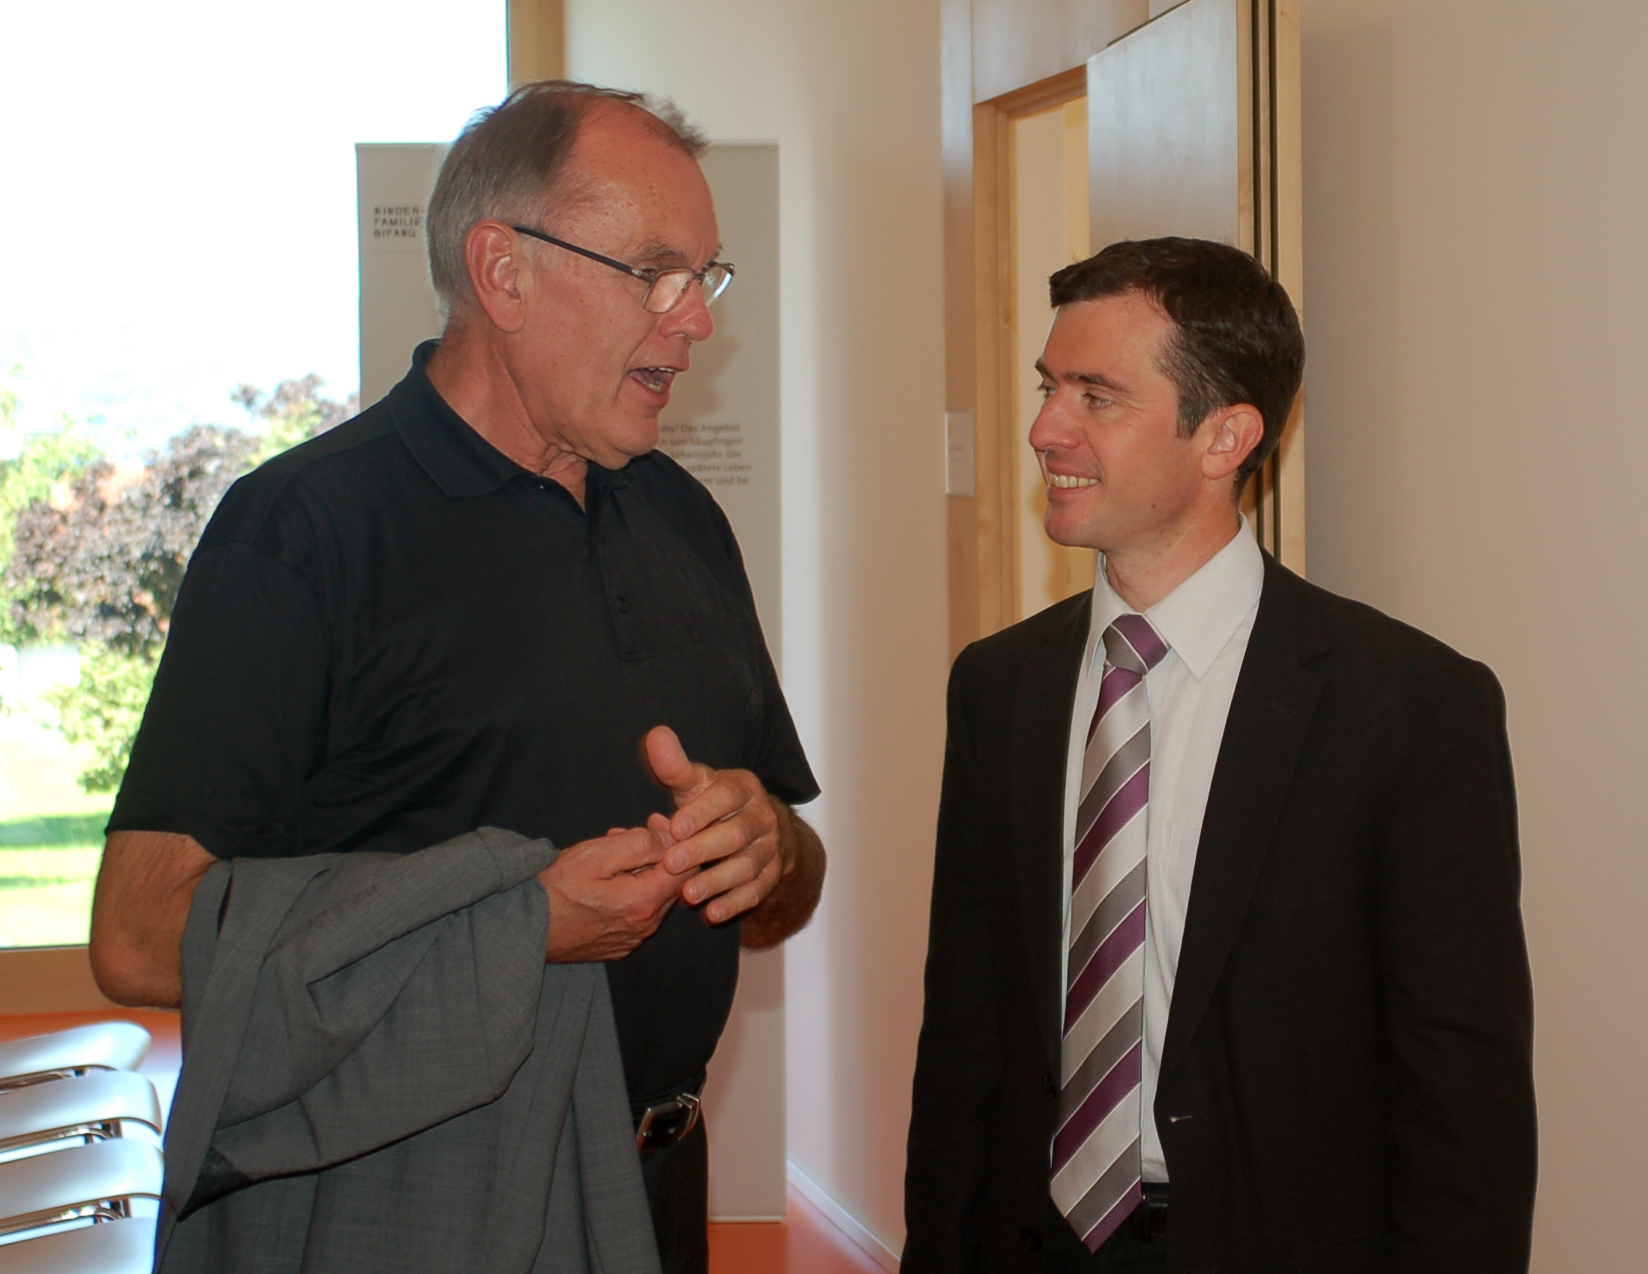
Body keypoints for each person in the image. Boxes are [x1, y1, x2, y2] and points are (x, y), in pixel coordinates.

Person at [89, 81, 824, 1274]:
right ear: (503, 272)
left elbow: (788, 881)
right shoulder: (305, 529)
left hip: (653, 1190)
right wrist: (521, 926)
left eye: (705, 276)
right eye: (654, 272)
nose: (695, 319)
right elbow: (136, 934)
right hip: (410, 1200)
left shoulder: (684, 519)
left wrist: (766, 847)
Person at [903, 237, 1535, 1273]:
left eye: (1097, 396)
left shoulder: (1408, 706)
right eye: (1049, 386)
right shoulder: (999, 686)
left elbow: (1464, 1093)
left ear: (1225, 436)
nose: (1045, 428)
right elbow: (964, 1041)